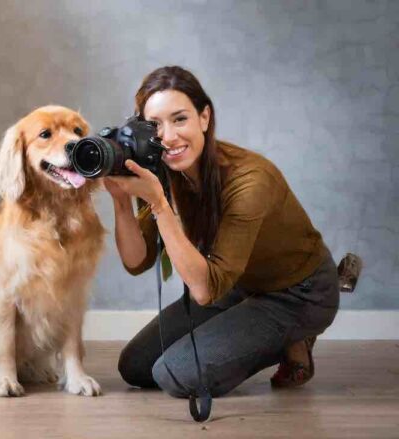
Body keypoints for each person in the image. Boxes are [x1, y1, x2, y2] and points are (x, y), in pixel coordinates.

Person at [108, 66, 339, 397]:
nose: (169, 136)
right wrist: (120, 202)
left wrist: (159, 204)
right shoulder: (164, 169)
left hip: (299, 292)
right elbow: (136, 261)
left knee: (176, 374)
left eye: (180, 119)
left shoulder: (250, 180)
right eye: (155, 125)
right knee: (135, 366)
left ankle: (294, 336)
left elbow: (203, 290)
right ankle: (251, 327)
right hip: (237, 281)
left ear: (204, 117)